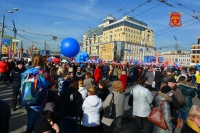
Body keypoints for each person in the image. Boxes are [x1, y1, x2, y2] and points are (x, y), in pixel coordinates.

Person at [23, 54, 54, 133]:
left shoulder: (26, 72)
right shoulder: (44, 74)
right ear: (42, 62)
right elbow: (52, 82)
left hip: (27, 99)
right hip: (38, 102)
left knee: (30, 121)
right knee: (35, 125)